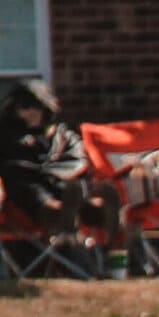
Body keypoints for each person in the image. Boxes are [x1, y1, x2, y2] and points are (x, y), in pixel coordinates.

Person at [1, 79, 106, 240]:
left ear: (46, 108)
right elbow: (13, 167)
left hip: (63, 184)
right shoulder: (7, 136)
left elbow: (78, 161)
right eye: (23, 106)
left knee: (75, 184)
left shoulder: (63, 136)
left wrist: (52, 169)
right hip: (28, 192)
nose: (29, 112)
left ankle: (86, 209)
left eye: (34, 106)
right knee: (26, 184)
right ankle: (53, 211)